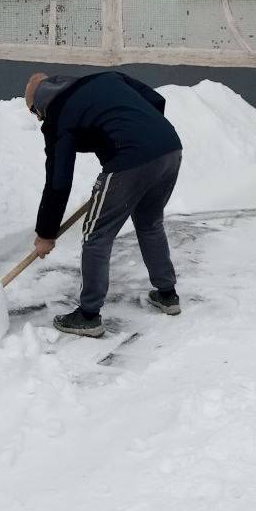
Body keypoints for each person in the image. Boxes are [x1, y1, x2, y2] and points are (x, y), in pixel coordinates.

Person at [25, 70, 184, 337]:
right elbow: (155, 100)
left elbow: (58, 181)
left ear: (40, 106)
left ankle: (88, 315)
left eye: (34, 113)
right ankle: (167, 294)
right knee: (149, 223)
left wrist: (46, 233)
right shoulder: (106, 79)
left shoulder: (58, 116)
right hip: (169, 147)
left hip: (130, 158)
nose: (39, 119)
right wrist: (143, 137)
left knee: (97, 234)